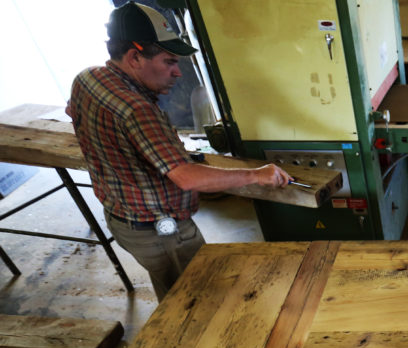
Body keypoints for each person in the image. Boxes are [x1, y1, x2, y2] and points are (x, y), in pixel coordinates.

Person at [67, 2, 293, 300]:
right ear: (134, 57)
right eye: (168, 62)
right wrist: (257, 175)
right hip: (160, 232)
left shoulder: (88, 77)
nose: (177, 73)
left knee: (172, 291)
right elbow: (187, 178)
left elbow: (72, 111)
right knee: (197, 301)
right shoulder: (137, 109)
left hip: (123, 217)